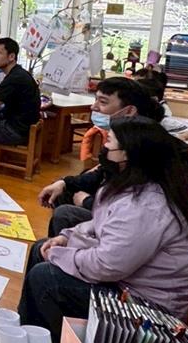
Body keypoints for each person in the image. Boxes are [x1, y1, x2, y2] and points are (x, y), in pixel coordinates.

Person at [18, 117, 188, 343]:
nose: (104, 148)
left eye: (109, 142)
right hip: (131, 282)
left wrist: (62, 255)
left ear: (126, 155)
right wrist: (67, 238)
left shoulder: (147, 205)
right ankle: (27, 333)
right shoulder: (138, 183)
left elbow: (107, 265)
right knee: (42, 248)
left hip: (149, 309)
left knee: (45, 277)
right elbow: (102, 223)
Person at [38, 77, 165, 236]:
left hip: (125, 224)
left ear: (129, 111)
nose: (94, 107)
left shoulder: (145, 144)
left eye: (103, 102)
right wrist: (64, 182)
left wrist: (87, 202)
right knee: (61, 190)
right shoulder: (123, 136)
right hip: (110, 206)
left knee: (65, 214)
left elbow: (129, 206)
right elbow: (102, 173)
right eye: (95, 100)